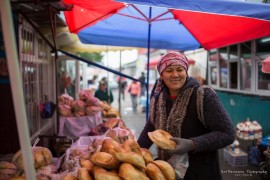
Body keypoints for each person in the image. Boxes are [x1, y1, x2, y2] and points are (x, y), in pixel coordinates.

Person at [137, 51, 235, 180]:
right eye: (169, 70)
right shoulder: (158, 96)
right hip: (167, 171)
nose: (175, 75)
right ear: (161, 74)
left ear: (186, 72)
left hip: (200, 172)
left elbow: (228, 133)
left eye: (180, 69)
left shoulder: (203, 95)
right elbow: (151, 126)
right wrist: (136, 151)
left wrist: (193, 144)